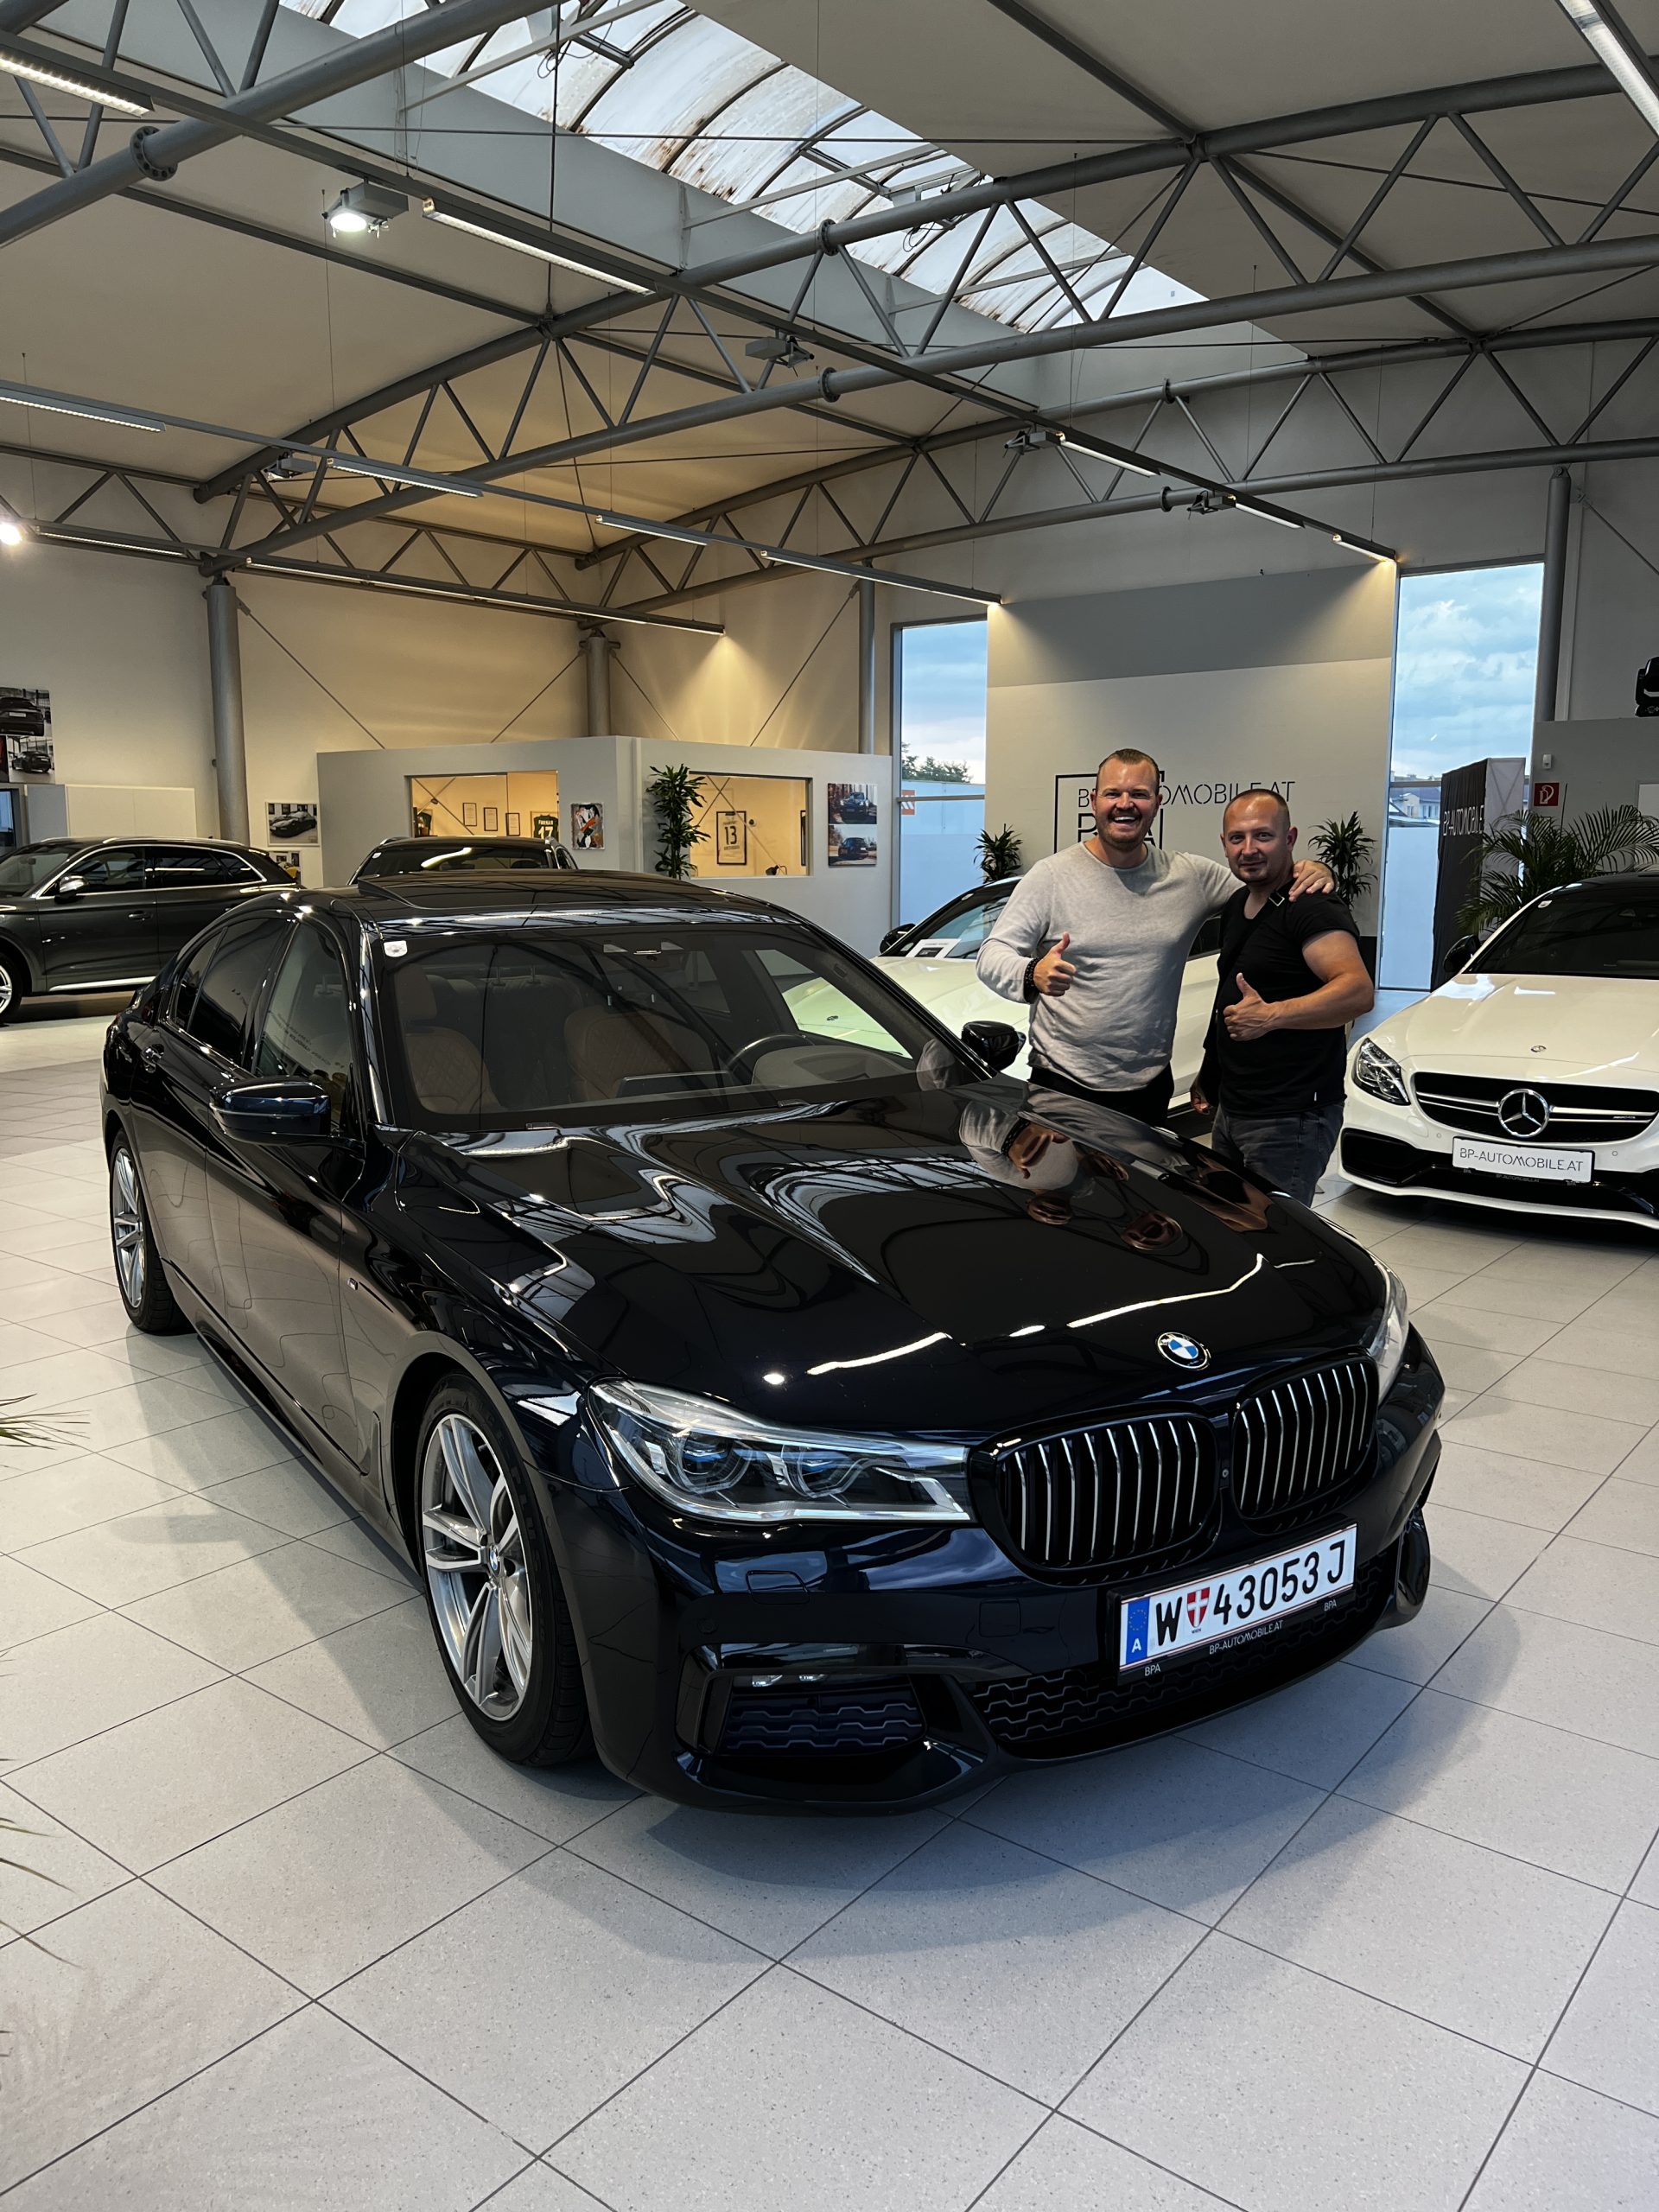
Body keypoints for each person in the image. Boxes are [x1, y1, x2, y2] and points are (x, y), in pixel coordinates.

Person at [975, 749, 1333, 1122]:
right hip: (1062, 1085)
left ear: (1157, 803)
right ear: (1093, 801)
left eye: (1139, 794)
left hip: (1150, 1087)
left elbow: (1263, 888)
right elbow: (992, 953)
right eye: (1113, 793)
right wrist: (1031, 973)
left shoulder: (1189, 876)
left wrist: (1312, 869)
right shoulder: (1051, 877)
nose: (1125, 804)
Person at [1190, 788, 1374, 1204]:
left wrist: (1271, 1016)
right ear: (1224, 844)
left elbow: (1357, 991)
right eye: (1237, 838)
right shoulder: (1238, 904)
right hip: (1236, 1109)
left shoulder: (1310, 906)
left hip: (1289, 1116)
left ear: (1289, 839)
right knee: (1232, 1223)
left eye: (1263, 836)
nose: (1249, 849)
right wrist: (1211, 1072)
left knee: (1277, 1232)